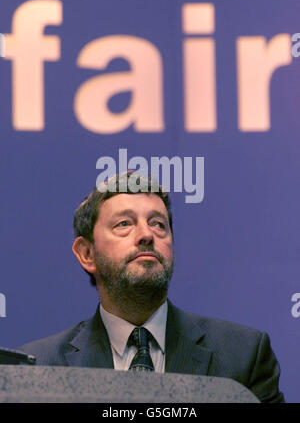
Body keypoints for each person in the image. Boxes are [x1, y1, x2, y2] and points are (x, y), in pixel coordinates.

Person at [19, 171, 284, 402]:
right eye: (124, 224)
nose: (147, 235)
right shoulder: (38, 368)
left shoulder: (243, 355)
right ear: (87, 253)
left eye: (158, 224)